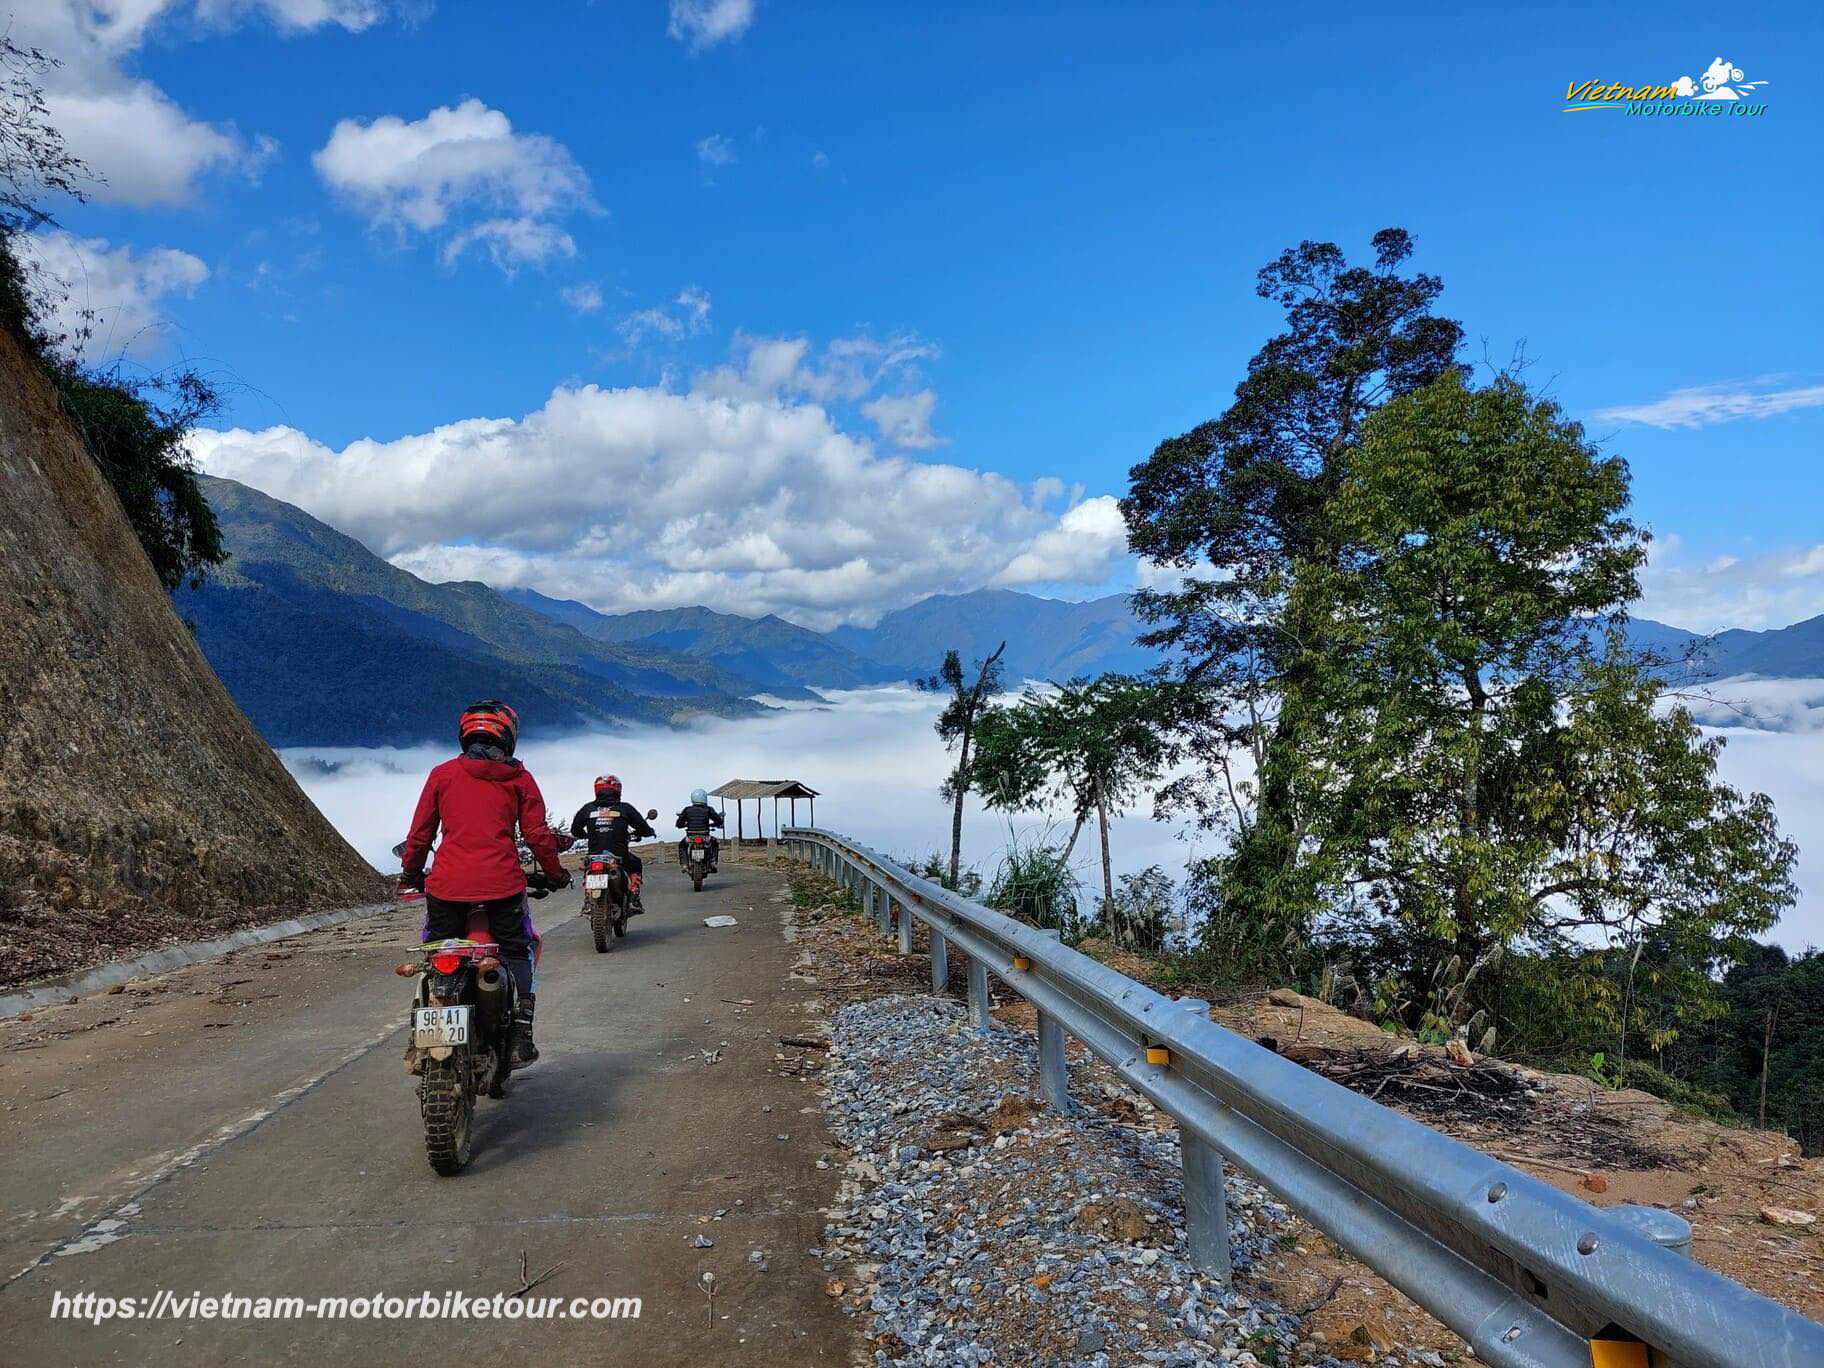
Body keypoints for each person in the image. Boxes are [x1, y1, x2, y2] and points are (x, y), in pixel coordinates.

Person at [399, 700, 569, 1067]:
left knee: (436, 954)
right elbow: (538, 835)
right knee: (516, 951)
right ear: (509, 737)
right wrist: (556, 874)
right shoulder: (520, 779)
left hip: (445, 889)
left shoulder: (442, 775)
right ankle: (521, 1034)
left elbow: (419, 835)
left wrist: (411, 874)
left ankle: (419, 1035)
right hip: (503, 888)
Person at [570, 775, 656, 913]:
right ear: (617, 789)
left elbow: (575, 830)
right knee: (636, 863)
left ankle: (588, 900)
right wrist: (648, 832)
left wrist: (586, 834)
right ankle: (634, 897)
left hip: (594, 856)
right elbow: (642, 826)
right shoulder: (625, 808)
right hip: (619, 855)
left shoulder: (587, 809)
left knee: (588, 869)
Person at [675, 787, 724, 870]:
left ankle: (684, 864)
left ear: (692, 798)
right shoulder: (708, 809)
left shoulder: (687, 810)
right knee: (715, 843)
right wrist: (713, 824)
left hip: (691, 837)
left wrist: (684, 825)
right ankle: (713, 862)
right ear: (704, 798)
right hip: (705, 836)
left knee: (682, 845)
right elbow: (719, 821)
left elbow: (679, 824)